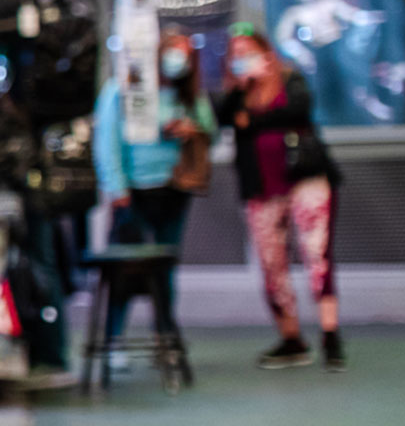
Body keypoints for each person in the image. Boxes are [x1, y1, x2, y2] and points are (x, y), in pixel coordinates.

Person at [219, 26, 346, 371]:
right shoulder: (236, 94)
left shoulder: (291, 80)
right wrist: (242, 92)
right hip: (262, 190)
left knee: (317, 257)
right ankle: (292, 339)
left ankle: (330, 335)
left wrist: (253, 119)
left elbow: (299, 111)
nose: (243, 58)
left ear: (265, 52)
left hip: (305, 180)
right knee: (272, 265)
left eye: (249, 51)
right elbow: (224, 119)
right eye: (237, 54)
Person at [92, 29, 209, 344]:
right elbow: (107, 143)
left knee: (165, 268)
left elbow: (209, 126)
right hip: (133, 193)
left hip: (172, 189)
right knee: (125, 270)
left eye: (184, 54)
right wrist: (117, 188)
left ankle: (164, 333)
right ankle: (113, 339)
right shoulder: (122, 89)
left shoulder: (186, 94)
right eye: (172, 51)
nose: (176, 60)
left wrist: (190, 128)